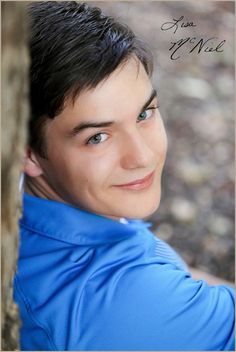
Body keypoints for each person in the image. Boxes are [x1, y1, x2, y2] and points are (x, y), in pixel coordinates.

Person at [13, 1, 235, 350]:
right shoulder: (125, 302)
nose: (143, 156)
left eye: (144, 114)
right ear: (27, 153)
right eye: (97, 137)